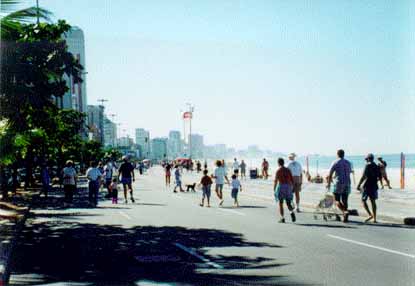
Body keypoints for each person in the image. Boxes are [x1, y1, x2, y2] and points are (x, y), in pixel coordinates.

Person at [327, 149, 352, 222]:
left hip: (339, 182)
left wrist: (328, 184)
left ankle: (344, 212)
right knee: (345, 200)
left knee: (336, 199)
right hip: (347, 182)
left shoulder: (335, 162)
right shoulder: (348, 162)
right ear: (343, 154)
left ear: (337, 154)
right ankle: (345, 217)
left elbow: (330, 174)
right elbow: (349, 172)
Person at [357, 154, 381, 223]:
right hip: (374, 185)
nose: (366, 160)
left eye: (366, 159)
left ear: (368, 159)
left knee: (363, 200)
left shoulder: (367, 165)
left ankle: (370, 215)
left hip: (367, 185)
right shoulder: (376, 166)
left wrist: (358, 185)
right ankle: (375, 218)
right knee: (373, 201)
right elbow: (379, 177)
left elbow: (363, 176)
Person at [273, 158, 296, 223]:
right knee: (288, 203)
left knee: (281, 203)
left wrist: (274, 189)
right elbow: (292, 179)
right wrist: (293, 187)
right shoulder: (288, 170)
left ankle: (282, 218)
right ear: (283, 163)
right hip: (288, 187)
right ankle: (291, 212)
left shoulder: (278, 171)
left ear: (278, 163)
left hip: (281, 187)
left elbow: (275, 181)